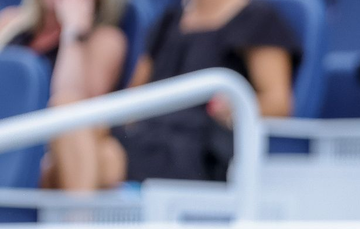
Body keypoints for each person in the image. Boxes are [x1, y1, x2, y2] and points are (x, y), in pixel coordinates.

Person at [39, 0, 300, 189]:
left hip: (199, 146)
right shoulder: (170, 20)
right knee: (66, 106)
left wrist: (233, 108)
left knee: (60, 169)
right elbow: (134, 100)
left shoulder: (259, 18)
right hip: (148, 134)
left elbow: (279, 103)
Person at [0, 0, 129, 190]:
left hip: (50, 148)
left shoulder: (105, 39)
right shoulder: (10, 23)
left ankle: (78, 217)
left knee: (106, 154)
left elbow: (74, 107)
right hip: (8, 130)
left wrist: (73, 32)